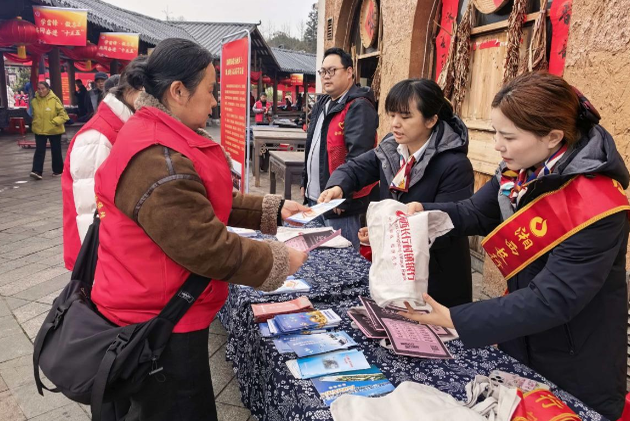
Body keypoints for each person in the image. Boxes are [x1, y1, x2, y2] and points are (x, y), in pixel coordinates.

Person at [92, 38, 309, 420]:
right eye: (210, 90)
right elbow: (205, 244)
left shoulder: (159, 133)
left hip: (159, 306)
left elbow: (200, 199)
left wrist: (271, 210)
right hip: (157, 324)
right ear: (178, 91)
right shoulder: (157, 157)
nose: (214, 102)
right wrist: (276, 261)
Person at [402, 72, 630, 420]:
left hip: (573, 358)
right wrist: (420, 215)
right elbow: (475, 212)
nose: (497, 145)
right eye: (496, 132)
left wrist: (456, 318)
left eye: (508, 136)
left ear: (553, 136)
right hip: (519, 337)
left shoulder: (598, 205)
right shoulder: (520, 173)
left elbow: (553, 298)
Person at [319, 79, 474, 307]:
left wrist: (386, 232)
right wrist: (337, 186)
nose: (395, 124)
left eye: (405, 116)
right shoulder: (392, 149)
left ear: (431, 120)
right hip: (394, 275)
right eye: (392, 115)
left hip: (436, 280)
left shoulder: (455, 165)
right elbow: (356, 168)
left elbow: (445, 225)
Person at [61, 57, 147, 271]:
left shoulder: (124, 126)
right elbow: (90, 213)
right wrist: (99, 269)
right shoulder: (97, 137)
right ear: (138, 89)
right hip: (99, 261)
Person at [301, 47, 379, 249]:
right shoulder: (323, 103)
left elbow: (359, 156)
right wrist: (305, 180)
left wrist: (343, 194)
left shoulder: (358, 106)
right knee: (317, 256)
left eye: (332, 70)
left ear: (349, 72)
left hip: (340, 205)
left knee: (342, 258)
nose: (326, 76)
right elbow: (312, 146)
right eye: (323, 71)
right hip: (316, 199)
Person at [29, 81, 69, 180]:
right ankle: (37, 171)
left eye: (43, 88)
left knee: (56, 150)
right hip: (39, 130)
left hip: (54, 129)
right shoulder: (34, 101)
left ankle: (58, 170)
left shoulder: (55, 100)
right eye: (39, 89)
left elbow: (64, 115)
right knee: (39, 150)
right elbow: (33, 114)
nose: (41, 91)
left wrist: (54, 122)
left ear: (47, 89)